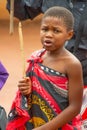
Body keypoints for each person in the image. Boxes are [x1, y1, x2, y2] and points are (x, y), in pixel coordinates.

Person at [6, 6, 83, 130]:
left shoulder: (72, 64)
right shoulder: (35, 57)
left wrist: (45, 128)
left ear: (69, 35)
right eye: (45, 29)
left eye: (56, 31)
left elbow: (75, 107)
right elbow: (31, 92)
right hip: (35, 122)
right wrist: (26, 90)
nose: (48, 35)